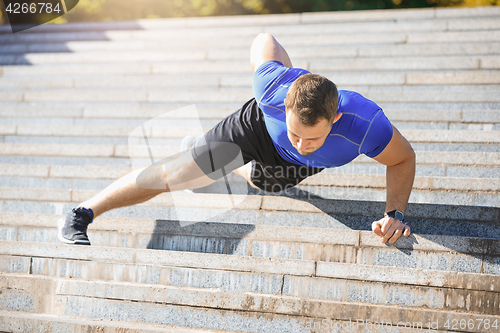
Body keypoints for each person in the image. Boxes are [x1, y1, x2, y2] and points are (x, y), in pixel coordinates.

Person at [58, 33, 415, 247]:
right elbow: (265, 40)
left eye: (313, 138)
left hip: (294, 169)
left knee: (264, 182)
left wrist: (394, 214)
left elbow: (402, 159)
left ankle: (228, 167)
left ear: (335, 120)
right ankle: (82, 213)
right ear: (284, 106)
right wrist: (293, 74)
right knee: (176, 177)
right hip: (253, 130)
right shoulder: (273, 87)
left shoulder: (367, 126)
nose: (302, 143)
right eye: (295, 133)